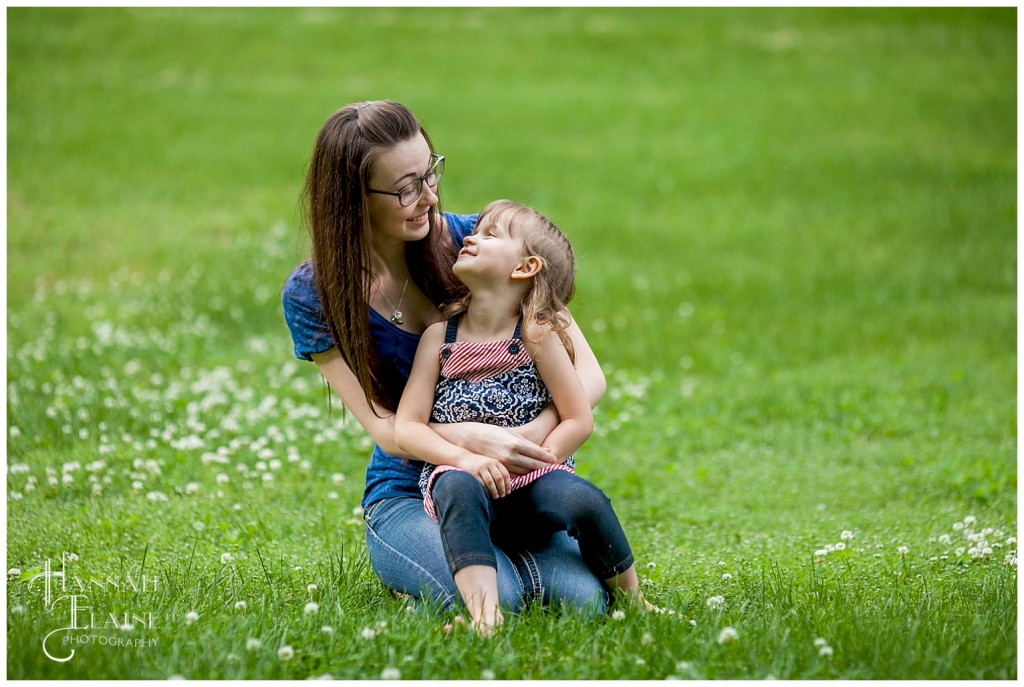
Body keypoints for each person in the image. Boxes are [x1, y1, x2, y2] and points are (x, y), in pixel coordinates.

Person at [281, 100, 610, 616]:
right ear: (352, 200)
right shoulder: (313, 295)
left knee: (584, 602)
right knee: (499, 598)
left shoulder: (473, 245)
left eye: (430, 172)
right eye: (406, 189)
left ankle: (477, 567)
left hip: (512, 483)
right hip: (411, 488)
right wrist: (465, 441)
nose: (429, 198)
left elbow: (588, 377)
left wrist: (520, 441)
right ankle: (445, 568)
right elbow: (385, 428)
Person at [395, 200, 658, 635]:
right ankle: (485, 617)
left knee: (582, 498)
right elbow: (407, 427)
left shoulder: (537, 334)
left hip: (533, 481)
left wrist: (542, 459)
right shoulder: (439, 339)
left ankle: (634, 600)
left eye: (491, 234)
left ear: (525, 267)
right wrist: (464, 460)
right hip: (466, 476)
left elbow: (578, 418)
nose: (471, 237)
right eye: (476, 230)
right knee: (456, 490)